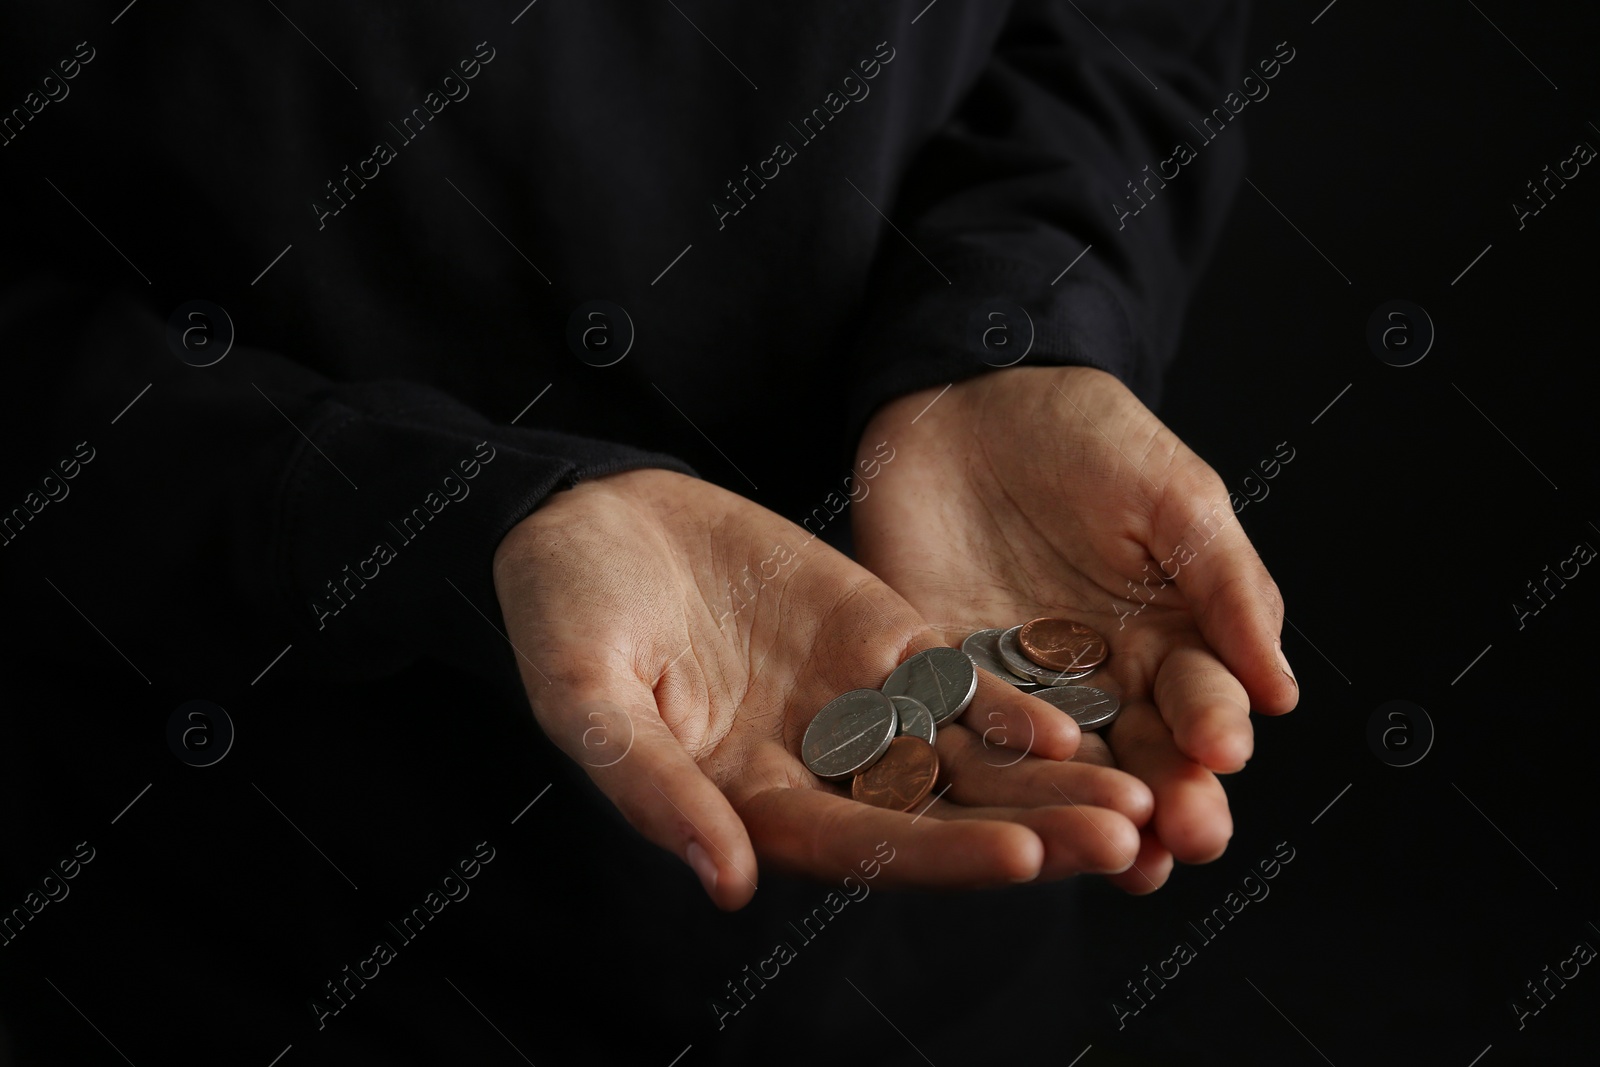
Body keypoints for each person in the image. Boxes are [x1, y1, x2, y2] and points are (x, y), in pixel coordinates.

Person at [0, 0, 1293, 921]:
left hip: (943, 825)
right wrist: (442, 511)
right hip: (247, 872)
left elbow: (1137, 36)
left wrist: (1017, 327)